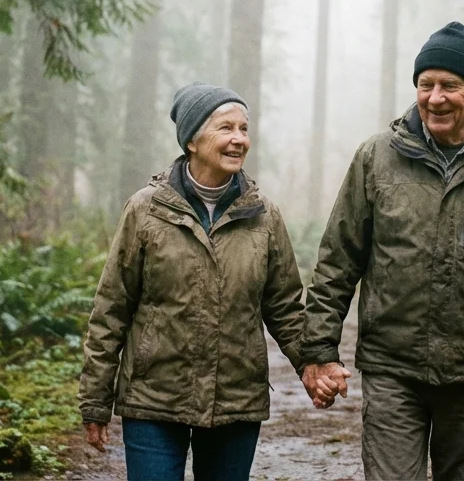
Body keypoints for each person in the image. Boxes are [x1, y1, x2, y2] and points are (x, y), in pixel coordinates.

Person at [301, 21, 464, 481]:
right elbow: (338, 261)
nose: (436, 98)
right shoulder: (376, 158)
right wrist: (319, 350)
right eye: (426, 85)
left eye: (451, 86)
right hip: (393, 368)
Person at [78, 83, 305, 481]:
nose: (239, 140)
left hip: (235, 400)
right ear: (192, 140)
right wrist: (95, 401)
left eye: (244, 129)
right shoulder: (145, 210)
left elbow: (284, 307)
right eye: (226, 128)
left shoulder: (263, 215)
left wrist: (314, 365)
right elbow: (111, 309)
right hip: (153, 399)